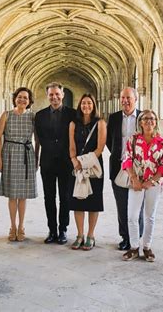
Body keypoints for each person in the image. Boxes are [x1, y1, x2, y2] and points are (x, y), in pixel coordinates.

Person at [121, 110, 163, 262]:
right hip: (136, 182)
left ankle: (147, 247)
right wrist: (134, 178)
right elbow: (127, 159)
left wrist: (152, 181)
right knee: (132, 216)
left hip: (153, 184)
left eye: (152, 119)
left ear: (156, 122)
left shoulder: (161, 142)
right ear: (140, 122)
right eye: (146, 119)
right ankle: (134, 247)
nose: (149, 121)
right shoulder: (133, 140)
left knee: (150, 216)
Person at [0, 87, 38, 242]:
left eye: (25, 98)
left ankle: (21, 226)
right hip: (10, 155)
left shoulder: (32, 116)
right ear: (15, 99)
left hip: (27, 154)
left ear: (29, 101)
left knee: (23, 195)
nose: (22, 100)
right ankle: (12, 226)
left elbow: (38, 140)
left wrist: (37, 158)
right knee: (12, 194)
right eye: (20, 97)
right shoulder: (6, 115)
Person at [35, 82, 76, 245]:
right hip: (47, 161)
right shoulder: (40, 115)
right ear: (47, 96)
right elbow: (37, 139)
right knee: (49, 197)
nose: (54, 97)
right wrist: (37, 159)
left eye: (57, 94)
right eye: (51, 94)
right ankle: (52, 230)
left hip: (66, 162)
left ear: (63, 95)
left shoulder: (72, 114)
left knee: (65, 197)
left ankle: (63, 229)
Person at [106, 87, 143, 250]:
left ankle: (137, 238)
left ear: (136, 99)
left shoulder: (143, 117)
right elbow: (109, 140)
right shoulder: (113, 118)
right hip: (119, 168)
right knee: (122, 206)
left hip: (138, 170)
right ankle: (125, 237)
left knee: (137, 207)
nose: (125, 101)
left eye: (128, 98)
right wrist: (118, 154)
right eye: (123, 98)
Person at [68, 93, 106, 250]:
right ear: (79, 105)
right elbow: (71, 146)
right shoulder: (73, 124)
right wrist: (74, 161)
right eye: (83, 103)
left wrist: (85, 163)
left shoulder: (100, 123)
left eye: (89, 103)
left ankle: (90, 235)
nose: (86, 106)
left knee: (93, 202)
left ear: (94, 105)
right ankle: (79, 234)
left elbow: (100, 147)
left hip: (93, 166)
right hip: (76, 165)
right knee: (78, 200)